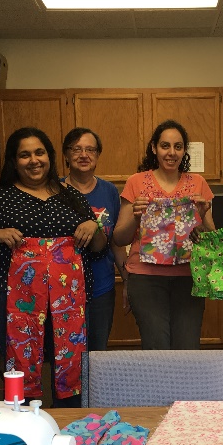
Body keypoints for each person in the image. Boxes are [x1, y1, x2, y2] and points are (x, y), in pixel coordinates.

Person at [0, 127, 106, 407]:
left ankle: (69, 424)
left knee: (70, 361)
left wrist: (92, 225)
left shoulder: (70, 196)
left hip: (68, 299)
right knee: (21, 362)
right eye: (24, 155)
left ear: (49, 157)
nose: (33, 160)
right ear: (14, 162)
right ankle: (23, 426)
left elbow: (98, 247)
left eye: (39, 152)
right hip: (15, 298)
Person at [113, 120, 215, 350]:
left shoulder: (198, 183)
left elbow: (211, 239)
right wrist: (136, 218)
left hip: (189, 278)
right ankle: (158, 388)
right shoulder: (136, 182)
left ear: (184, 150)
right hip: (145, 279)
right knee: (156, 347)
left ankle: (185, 388)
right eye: (165, 146)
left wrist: (201, 216)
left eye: (178, 147)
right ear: (154, 148)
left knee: (187, 348)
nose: (171, 152)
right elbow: (119, 238)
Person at [61, 127, 126, 351]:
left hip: (101, 287)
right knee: (66, 355)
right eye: (76, 149)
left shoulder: (109, 191)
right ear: (66, 155)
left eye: (90, 149)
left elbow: (116, 241)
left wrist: (127, 279)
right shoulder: (53, 191)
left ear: (98, 155)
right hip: (62, 290)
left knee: (97, 354)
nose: (84, 155)